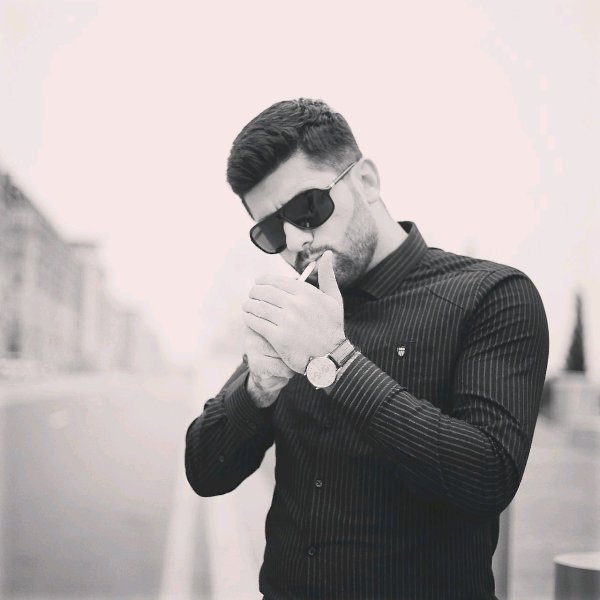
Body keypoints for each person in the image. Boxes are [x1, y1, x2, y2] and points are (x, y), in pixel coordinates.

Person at [185, 98, 549, 599]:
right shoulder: (297, 312)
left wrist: (335, 361)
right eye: (270, 231)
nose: (294, 241)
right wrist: (258, 388)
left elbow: (487, 479)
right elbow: (205, 472)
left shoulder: (491, 296)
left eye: (307, 208)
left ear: (367, 181)